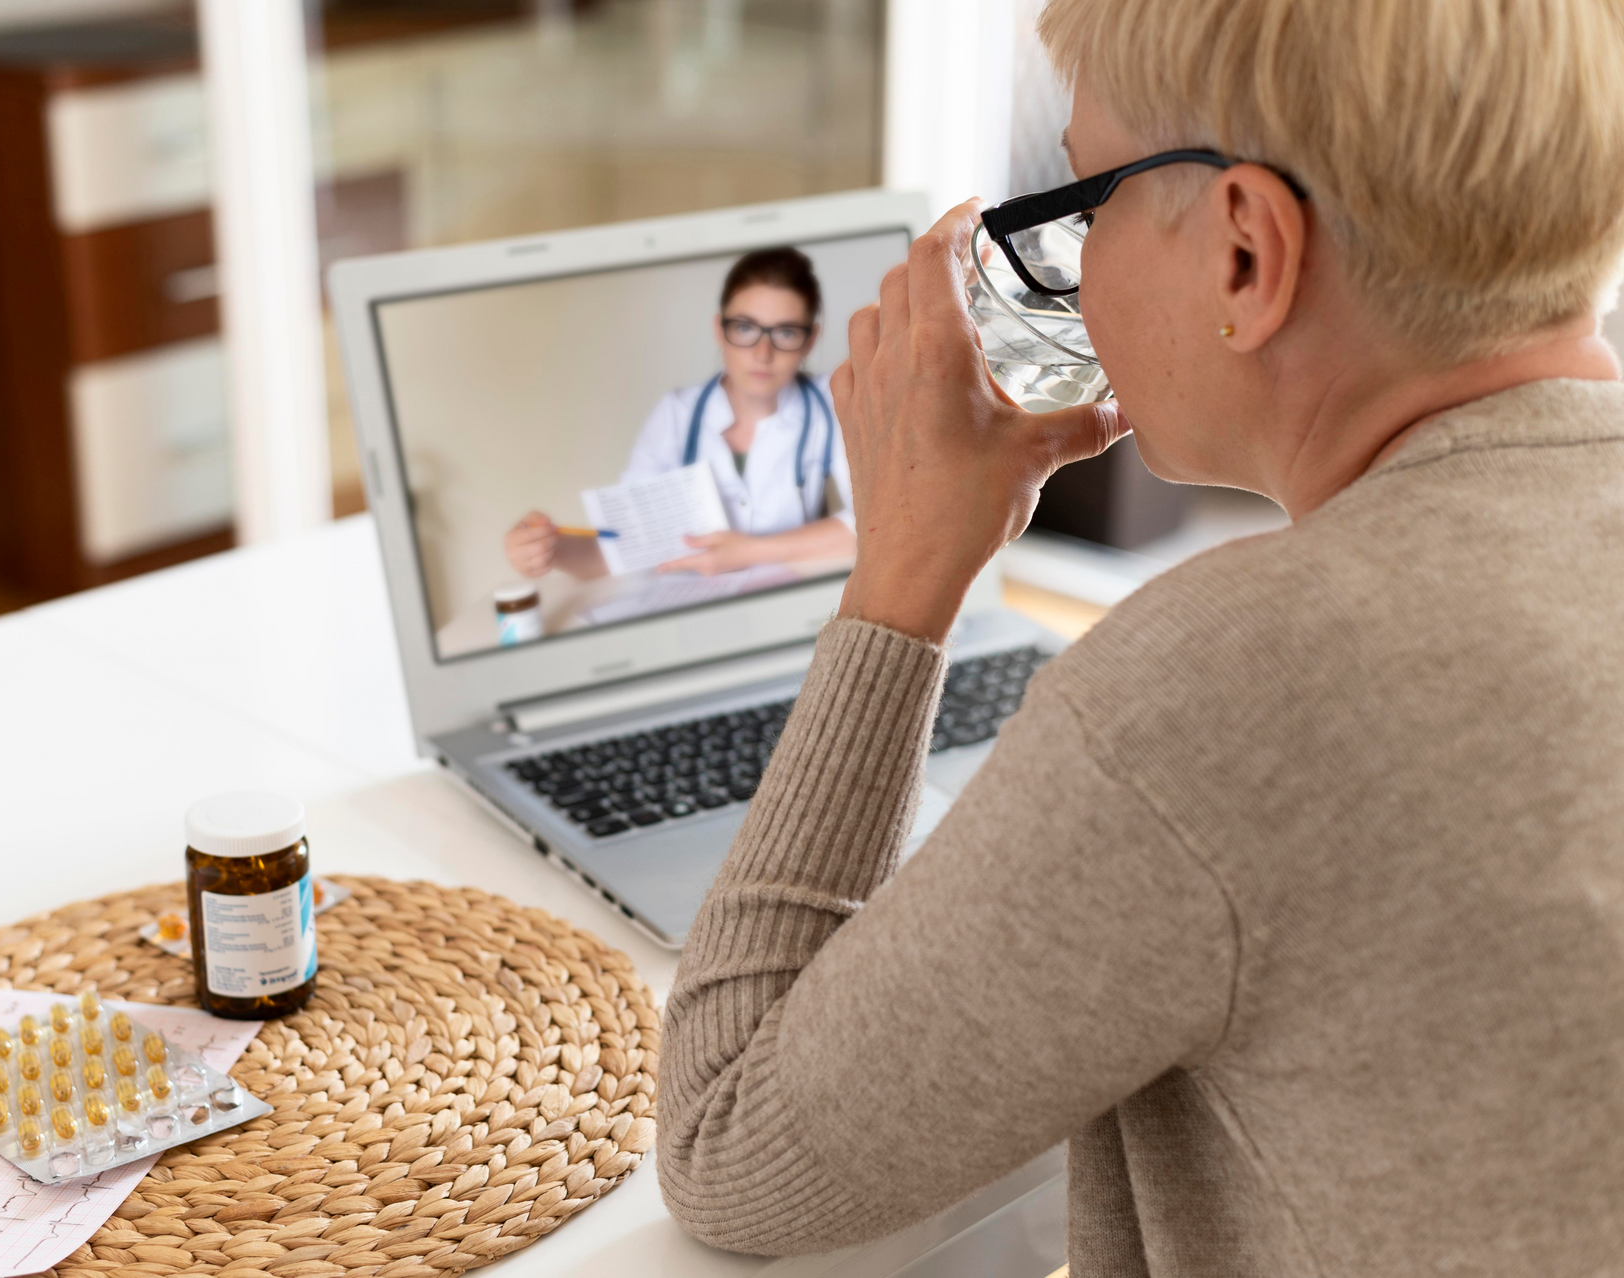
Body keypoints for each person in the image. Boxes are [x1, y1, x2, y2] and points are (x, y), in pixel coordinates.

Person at [656, 1, 1624, 1275]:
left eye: (1086, 193)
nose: (1076, 249)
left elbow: (728, 1149)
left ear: (1244, 254)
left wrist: (903, 565)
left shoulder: (1233, 684)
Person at [503, 248, 856, 580]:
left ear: (810, 340)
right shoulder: (677, 414)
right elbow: (628, 546)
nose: (763, 353)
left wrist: (749, 552)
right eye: (746, 328)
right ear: (720, 329)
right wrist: (549, 549)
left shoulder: (835, 400)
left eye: (786, 332)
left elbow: (877, 526)